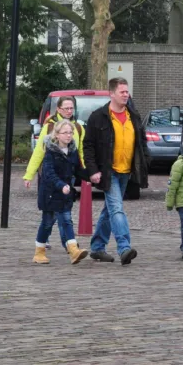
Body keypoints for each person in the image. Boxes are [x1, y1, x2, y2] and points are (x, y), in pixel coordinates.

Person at [84, 77, 149, 265]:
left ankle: (97, 247)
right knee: (117, 208)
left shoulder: (133, 116)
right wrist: (93, 170)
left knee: (110, 209)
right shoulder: (98, 117)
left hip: (126, 171)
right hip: (108, 171)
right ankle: (124, 247)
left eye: (127, 91)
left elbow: (141, 141)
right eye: (122, 92)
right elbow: (88, 146)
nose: (126, 95)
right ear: (111, 93)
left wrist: (145, 160)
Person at [23, 96, 85, 250]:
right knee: (51, 218)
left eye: (72, 108)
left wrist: (87, 174)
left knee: (65, 215)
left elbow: (80, 153)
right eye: (66, 108)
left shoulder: (78, 127)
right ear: (58, 109)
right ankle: (65, 245)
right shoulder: (50, 127)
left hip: (67, 177)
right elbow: (39, 152)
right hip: (52, 179)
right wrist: (29, 174)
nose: (69, 111)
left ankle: (70, 246)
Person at [33, 120, 90, 265]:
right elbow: (49, 174)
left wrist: (91, 176)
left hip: (65, 194)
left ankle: (73, 251)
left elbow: (77, 169)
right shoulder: (50, 151)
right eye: (65, 133)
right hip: (50, 193)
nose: (68, 135)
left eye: (70, 132)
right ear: (57, 135)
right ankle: (39, 252)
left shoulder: (72, 150)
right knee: (47, 223)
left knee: (66, 220)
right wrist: (61, 185)